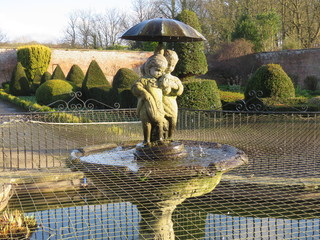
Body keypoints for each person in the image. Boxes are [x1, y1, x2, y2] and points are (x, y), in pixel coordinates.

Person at [131, 51, 168, 145]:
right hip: (145, 106)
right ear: (149, 68)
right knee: (146, 123)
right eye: (157, 70)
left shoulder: (160, 81)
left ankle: (160, 139)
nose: (159, 73)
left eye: (162, 71)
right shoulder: (144, 80)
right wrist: (144, 92)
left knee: (159, 123)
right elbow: (135, 87)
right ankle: (146, 140)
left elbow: (166, 91)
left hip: (158, 106)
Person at [158, 50, 184, 139]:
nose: (170, 67)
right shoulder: (157, 77)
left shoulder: (175, 79)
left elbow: (180, 90)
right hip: (160, 104)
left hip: (172, 104)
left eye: (172, 65)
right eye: (168, 64)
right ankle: (160, 138)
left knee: (173, 120)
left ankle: (170, 137)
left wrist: (173, 85)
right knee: (160, 122)